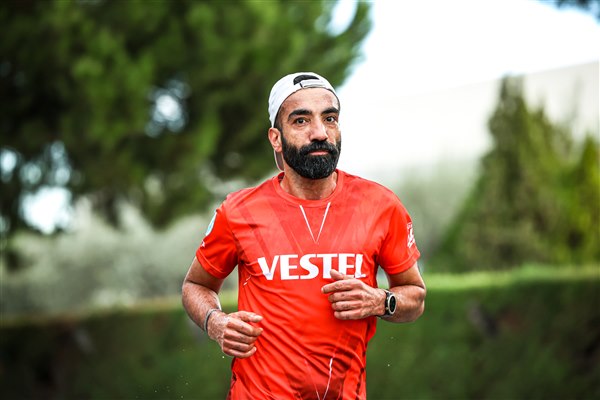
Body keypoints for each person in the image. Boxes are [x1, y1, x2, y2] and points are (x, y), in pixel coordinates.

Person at [182, 72, 426, 399]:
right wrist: (215, 322)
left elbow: (415, 296)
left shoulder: (381, 205)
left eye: (330, 118)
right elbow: (195, 285)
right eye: (301, 120)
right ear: (276, 138)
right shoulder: (238, 211)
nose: (320, 133)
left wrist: (381, 301)